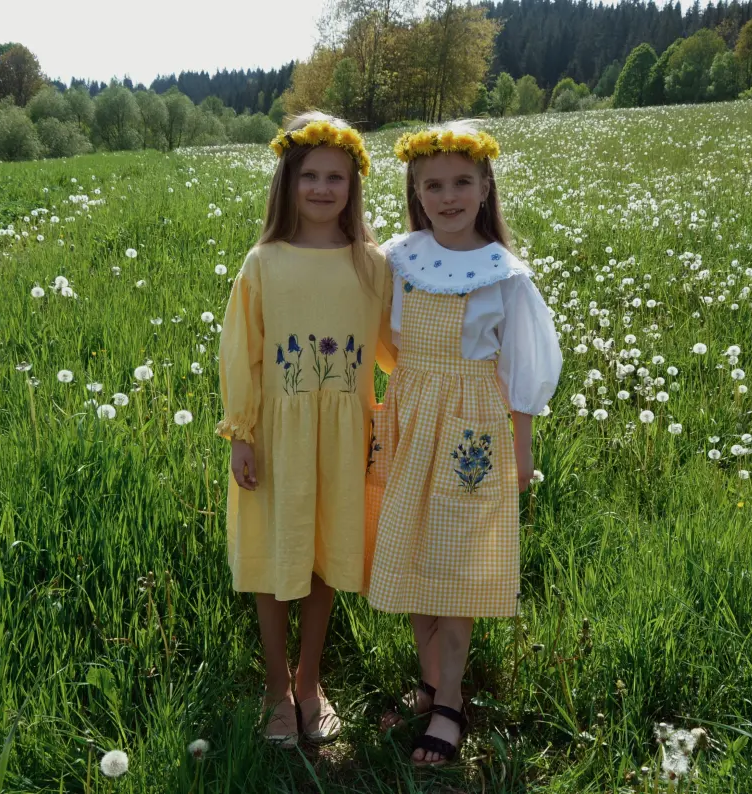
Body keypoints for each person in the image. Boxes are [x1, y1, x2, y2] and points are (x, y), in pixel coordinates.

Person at [364, 123, 562, 765]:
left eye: (461, 184)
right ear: (416, 193)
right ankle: (430, 681)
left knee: (455, 560)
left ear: (484, 188)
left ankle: (449, 702)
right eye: (433, 186)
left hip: (470, 427)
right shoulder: (400, 258)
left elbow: (523, 367)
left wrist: (522, 451)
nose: (447, 197)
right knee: (412, 547)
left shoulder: (504, 275)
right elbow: (381, 336)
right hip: (409, 415)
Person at [217, 112, 395, 747]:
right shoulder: (264, 262)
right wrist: (242, 432)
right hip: (277, 437)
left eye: (335, 177)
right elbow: (242, 351)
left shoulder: (372, 265)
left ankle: (310, 679)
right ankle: (275, 687)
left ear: (354, 185)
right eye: (310, 176)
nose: (322, 188)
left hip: (345, 439)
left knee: (323, 556)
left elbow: (395, 349)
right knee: (276, 558)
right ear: (287, 182)